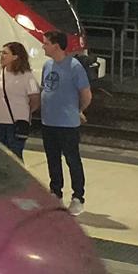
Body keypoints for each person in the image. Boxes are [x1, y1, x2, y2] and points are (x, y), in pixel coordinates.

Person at [38, 30, 92, 214]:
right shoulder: (47, 65)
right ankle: (55, 192)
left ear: (56, 45)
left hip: (67, 123)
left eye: (45, 43)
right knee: (52, 159)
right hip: (49, 122)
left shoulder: (74, 67)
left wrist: (78, 110)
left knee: (72, 159)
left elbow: (86, 94)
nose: (42, 46)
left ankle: (78, 197)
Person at [0, 42, 40, 159]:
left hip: (16, 124)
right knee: (0, 156)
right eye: (1, 53)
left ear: (15, 56)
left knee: (15, 155)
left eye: (5, 53)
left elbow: (35, 99)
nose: (2, 56)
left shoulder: (28, 76)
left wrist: (25, 113)